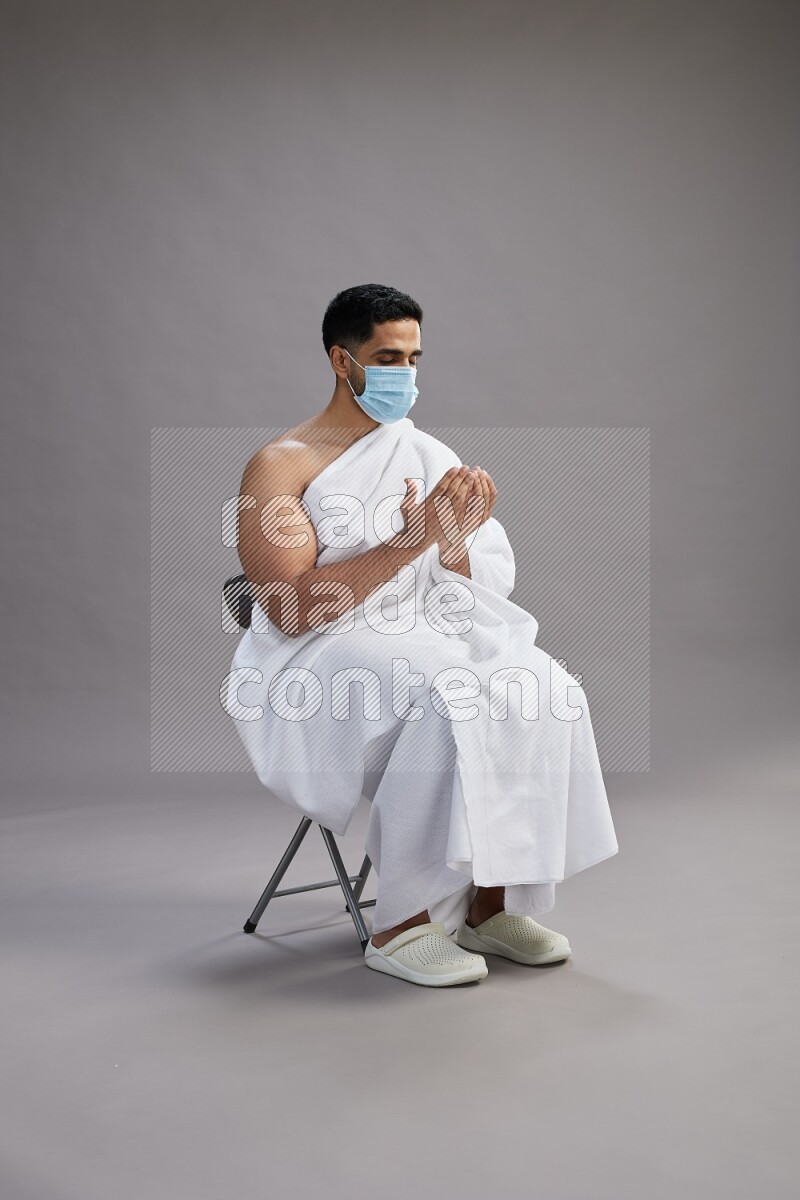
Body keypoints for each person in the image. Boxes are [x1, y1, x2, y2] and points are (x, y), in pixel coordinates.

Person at [224, 283, 619, 988]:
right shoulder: (280, 465)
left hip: (421, 629)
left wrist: (454, 539)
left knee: (541, 685)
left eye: (412, 358)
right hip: (319, 650)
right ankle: (401, 924)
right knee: (447, 695)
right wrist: (412, 540)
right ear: (341, 361)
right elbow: (288, 609)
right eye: (386, 358)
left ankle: (490, 907)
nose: (404, 374)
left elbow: (472, 585)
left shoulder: (428, 453)